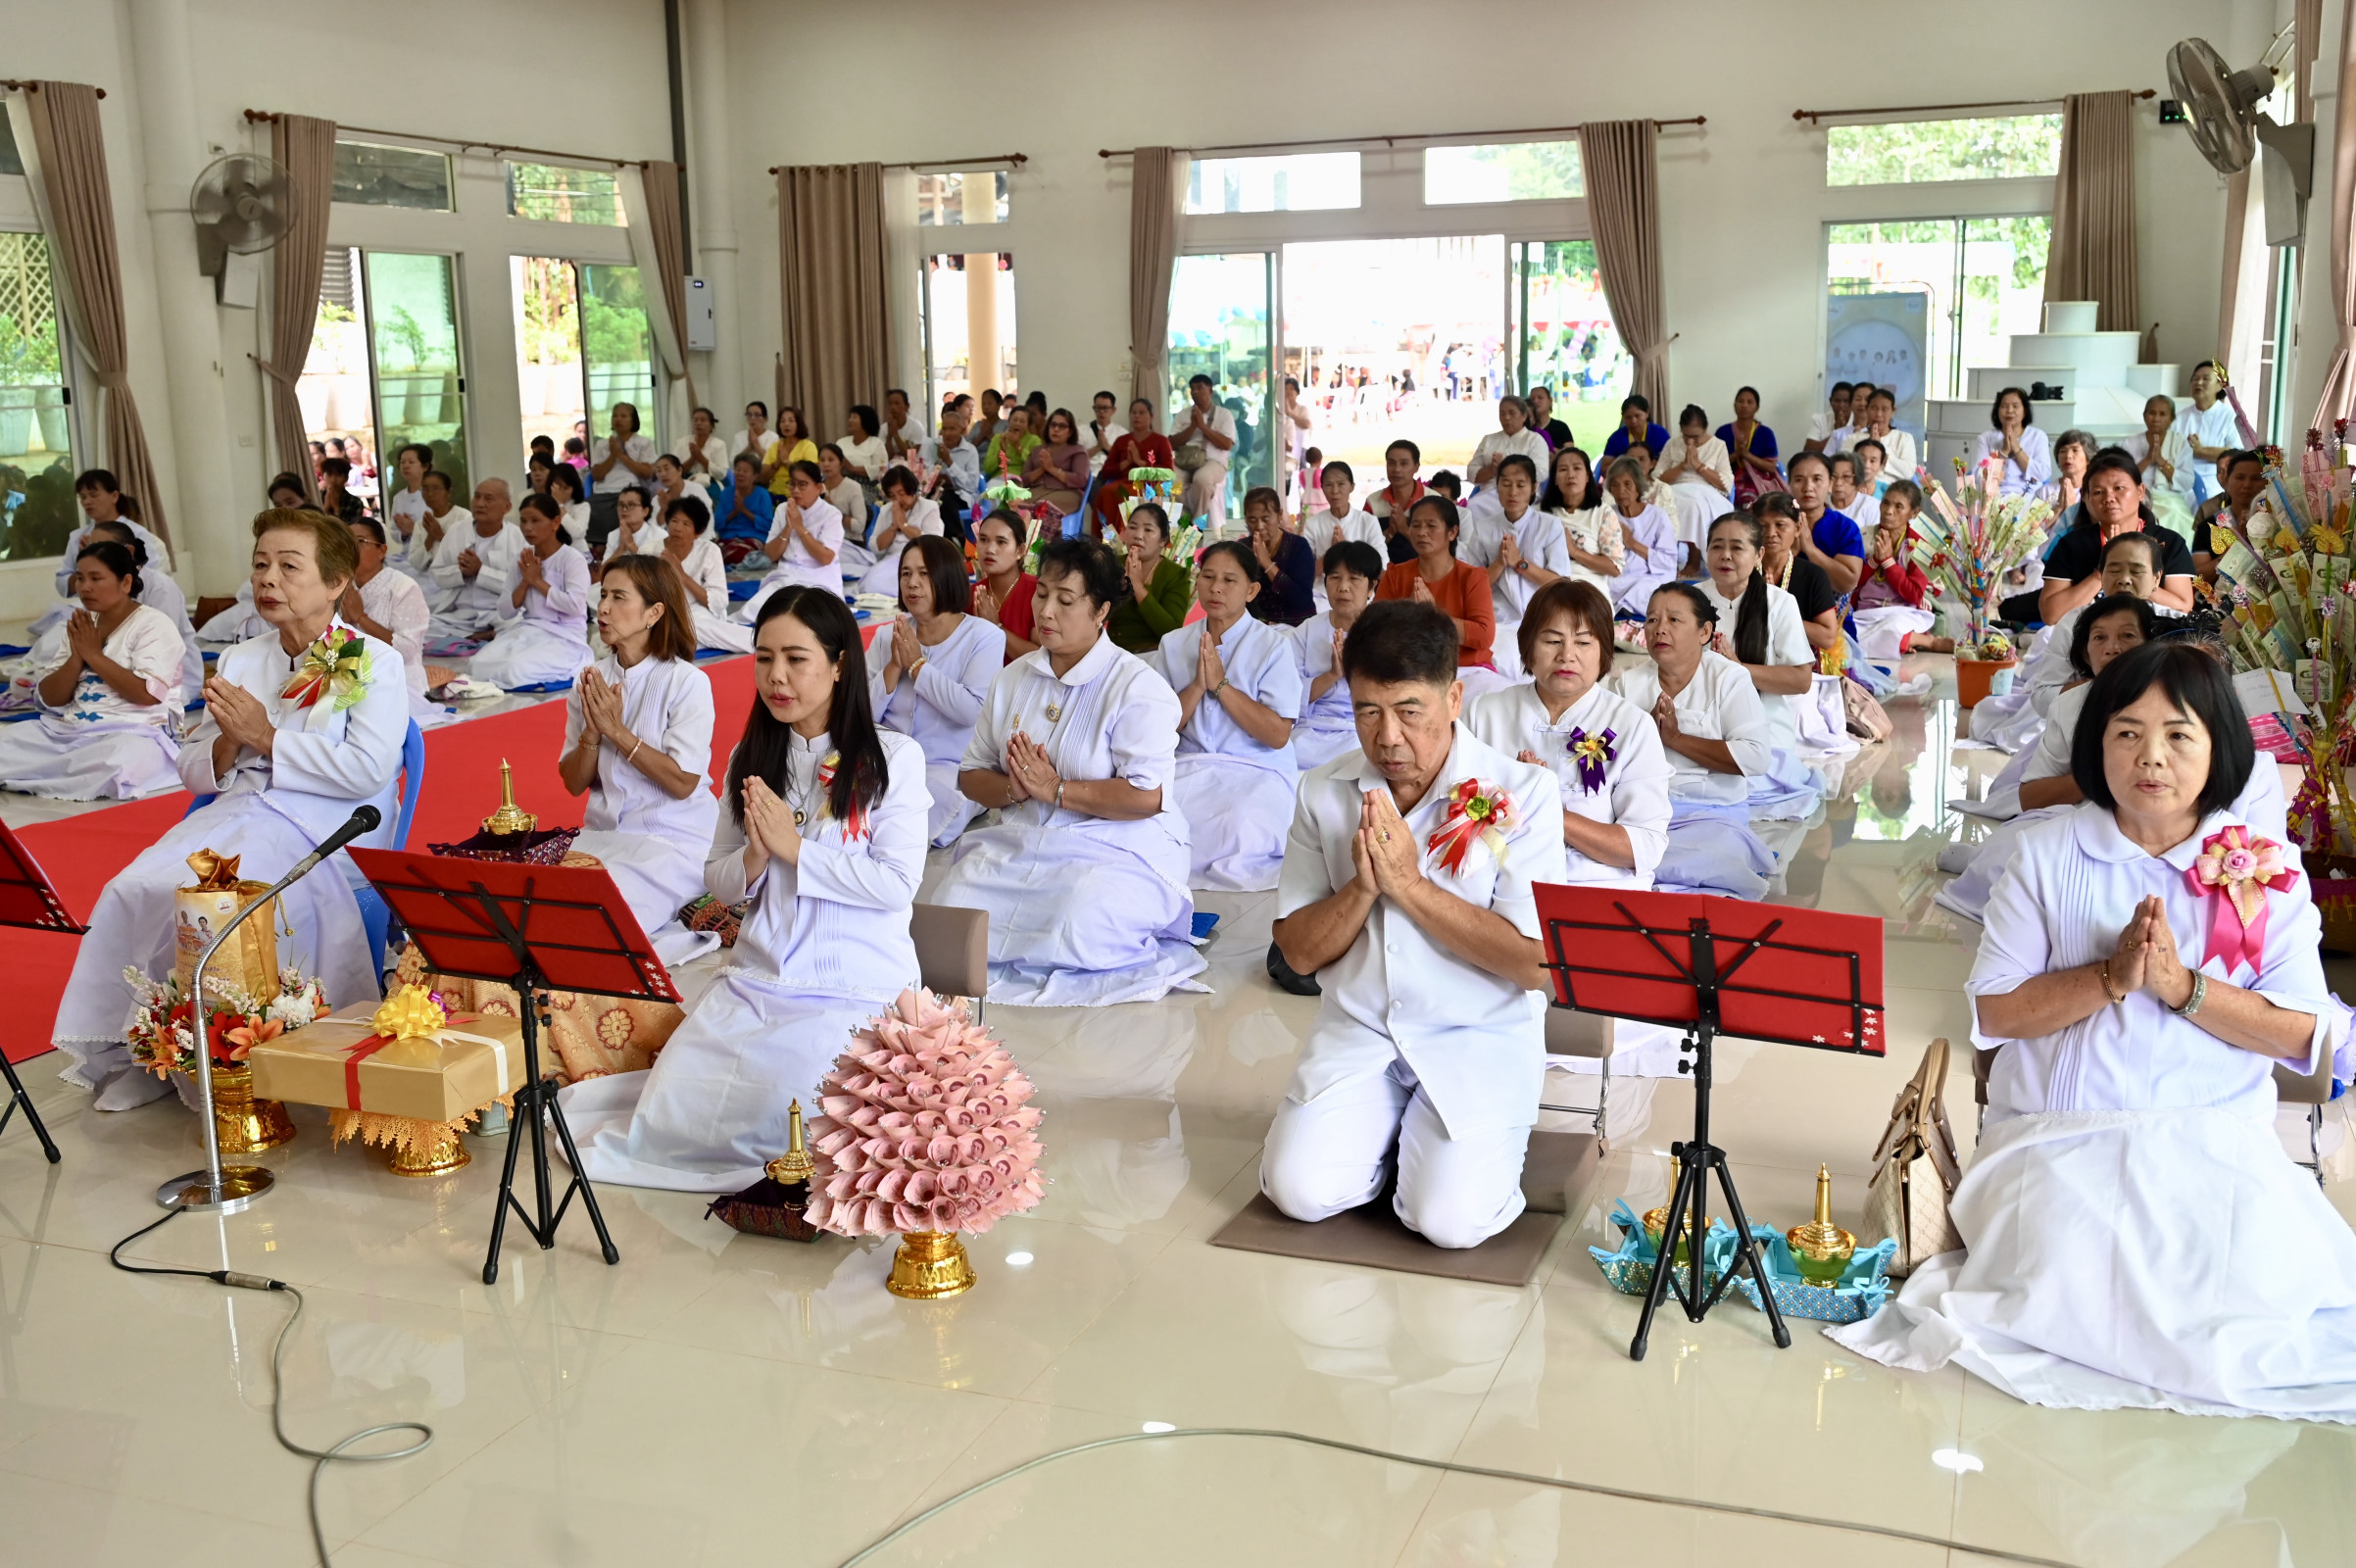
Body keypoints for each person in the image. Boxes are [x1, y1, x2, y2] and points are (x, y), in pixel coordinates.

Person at [1837, 642, 2355, 1419]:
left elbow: (2299, 1036)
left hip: (2212, 1134)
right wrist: (2111, 978)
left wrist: (2182, 989)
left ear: (2219, 751)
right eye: (2126, 732)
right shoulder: (2048, 852)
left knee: (2234, 1306)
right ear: (2097, 745)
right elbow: (1995, 1013)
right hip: (2057, 1134)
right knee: (2073, 1275)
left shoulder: (2263, 868)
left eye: (2179, 735)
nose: (2151, 756)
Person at [561, 587, 925, 1192]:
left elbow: (894, 887)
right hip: (761, 973)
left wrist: (794, 849)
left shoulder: (893, 759)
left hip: (854, 980)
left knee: (786, 1121)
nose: (776, 677)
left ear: (839, 665)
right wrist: (756, 856)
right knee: (682, 1109)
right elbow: (719, 884)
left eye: (795, 659)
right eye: (762, 658)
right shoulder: (751, 757)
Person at [52, 510, 404, 1107]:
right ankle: (152, 1049)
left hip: (328, 825)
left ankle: (236, 1060)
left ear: (337, 582)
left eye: (290, 567)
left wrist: (266, 738)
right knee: (136, 885)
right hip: (239, 809)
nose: (269, 579)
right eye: (261, 564)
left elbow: (368, 772)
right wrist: (228, 741)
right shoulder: (242, 659)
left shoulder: (372, 660)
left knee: (217, 904)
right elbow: (191, 767)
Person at [1259, 599, 1564, 1250]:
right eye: (1367, 711)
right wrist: (1365, 889)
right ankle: (1394, 1134)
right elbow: (1299, 952)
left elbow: (1535, 965)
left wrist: (1409, 885)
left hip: (1475, 1032)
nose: (1387, 737)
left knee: (1449, 1224)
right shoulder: (1324, 790)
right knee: (1296, 1190)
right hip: (1364, 1027)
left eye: (1408, 711)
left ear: (1454, 699)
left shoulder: (1524, 794)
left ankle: (1434, 1148)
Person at [939, 537, 1206, 1005]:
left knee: (1077, 916)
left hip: (1117, 845)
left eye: (1065, 601)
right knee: (952, 907)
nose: (1046, 611)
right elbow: (971, 775)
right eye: (1042, 593)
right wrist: (1018, 790)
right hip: (1023, 837)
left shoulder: (1138, 687)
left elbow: (1146, 797)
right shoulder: (1014, 677)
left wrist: (1056, 789)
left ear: (1102, 611)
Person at [558, 555, 719, 964]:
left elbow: (683, 783)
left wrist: (617, 732)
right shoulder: (591, 679)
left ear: (654, 612)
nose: (604, 608)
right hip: (600, 837)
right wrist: (592, 734)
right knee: (539, 905)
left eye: (618, 597)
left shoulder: (687, 682)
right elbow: (574, 783)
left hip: (670, 842)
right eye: (603, 595)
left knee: (596, 923)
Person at [1465, 579, 1672, 891]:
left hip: (1593, 887)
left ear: (1604, 651)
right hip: (1497, 883)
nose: (1567, 655)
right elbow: (1450, 808)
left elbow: (1642, 847)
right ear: (1528, 648)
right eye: (1552, 641)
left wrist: (1545, 807)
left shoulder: (1632, 726)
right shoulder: (1485, 712)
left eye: (1584, 642)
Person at [1605, 584, 1785, 898]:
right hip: (1644, 811)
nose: (1660, 629)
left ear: (1704, 632)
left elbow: (1756, 758)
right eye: (1651, 620)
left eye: (1674, 620)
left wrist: (1675, 739)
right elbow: (1603, 759)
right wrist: (1644, 733)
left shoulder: (1729, 679)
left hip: (1713, 811)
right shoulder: (1628, 684)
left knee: (1711, 861)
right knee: (1599, 860)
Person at [1156, 540, 1303, 891]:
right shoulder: (1174, 643)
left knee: (1241, 827)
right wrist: (1196, 686)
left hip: (1255, 767)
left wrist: (1221, 686)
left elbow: (1277, 735)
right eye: (1208, 577)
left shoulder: (1273, 646)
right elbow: (1157, 730)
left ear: (1252, 590)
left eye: (1229, 580)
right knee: (1162, 821)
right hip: (1190, 763)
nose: (1216, 588)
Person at [0, 541, 182, 800]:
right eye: (80, 578)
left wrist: (94, 655)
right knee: (8, 742)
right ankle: (58, 774)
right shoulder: (81, 624)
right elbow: (51, 698)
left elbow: (147, 695)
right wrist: (77, 656)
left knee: (120, 760)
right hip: (72, 731)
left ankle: (42, 774)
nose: (84, 587)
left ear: (126, 583)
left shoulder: (154, 625)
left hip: (136, 733)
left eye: (96, 578)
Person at [871, 535, 1000, 846]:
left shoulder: (984, 636)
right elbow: (859, 713)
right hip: (887, 760)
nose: (912, 583)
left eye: (924, 573)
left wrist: (917, 666)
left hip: (949, 768)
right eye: (906, 573)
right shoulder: (888, 634)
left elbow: (971, 710)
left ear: (947, 576)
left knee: (918, 808)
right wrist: (893, 667)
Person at [1695, 512, 1817, 760]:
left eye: (1737, 547)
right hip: (1698, 722)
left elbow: (1801, 680)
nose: (1725, 555)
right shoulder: (1689, 600)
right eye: (1717, 546)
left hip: (1765, 728)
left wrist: (1738, 669)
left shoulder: (1780, 603)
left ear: (1759, 555)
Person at [2039, 449, 2197, 622]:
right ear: (2087, 498)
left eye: (2119, 488)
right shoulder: (2071, 544)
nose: (2109, 498)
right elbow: (2051, 615)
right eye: (2099, 492)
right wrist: (2101, 573)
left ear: (2140, 492)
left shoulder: (2169, 542)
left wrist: (2134, 575)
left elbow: (2183, 606)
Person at [1461, 454, 1572, 678]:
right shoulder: (1484, 528)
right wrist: (1500, 564)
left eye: (1521, 485)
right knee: (1498, 663)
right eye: (1506, 484)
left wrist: (1520, 564)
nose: (1513, 492)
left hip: (1542, 614)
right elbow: (1471, 585)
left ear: (1533, 488)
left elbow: (1561, 582)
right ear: (1497, 486)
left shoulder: (1549, 525)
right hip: (1498, 618)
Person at [469, 493, 591, 690]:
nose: (527, 527)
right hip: (528, 630)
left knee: (513, 668)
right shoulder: (523, 559)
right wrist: (526, 582)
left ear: (555, 523)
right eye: (523, 521)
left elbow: (575, 606)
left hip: (565, 638)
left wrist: (537, 581)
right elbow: (505, 611)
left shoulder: (572, 559)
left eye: (535, 521)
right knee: (477, 664)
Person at [1375, 495, 1497, 689]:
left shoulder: (1472, 577)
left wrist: (1434, 613)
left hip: (1469, 670)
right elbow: (1377, 627)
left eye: (1431, 526)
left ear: (1452, 532)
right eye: (1415, 525)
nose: (1422, 532)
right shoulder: (1395, 575)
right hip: (1412, 670)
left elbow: (1483, 636)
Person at [337, 517, 446, 728]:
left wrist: (361, 618)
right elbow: (331, 644)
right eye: (346, 543)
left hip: (398, 679)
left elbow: (407, 649)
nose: (351, 549)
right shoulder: (342, 587)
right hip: (353, 675)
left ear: (382, 550)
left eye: (359, 541)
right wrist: (346, 621)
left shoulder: (403, 587)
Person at [1292, 540, 1383, 770]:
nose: (1343, 587)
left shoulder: (1384, 631)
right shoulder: (1306, 631)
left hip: (1360, 728)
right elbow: (1290, 695)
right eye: (1334, 578)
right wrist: (1333, 674)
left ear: (1372, 587)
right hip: (1309, 730)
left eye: (1354, 579)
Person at [1851, 481, 1953, 660]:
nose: (1889, 511)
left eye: (1899, 506)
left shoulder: (1921, 545)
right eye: (1885, 503)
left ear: (1914, 513)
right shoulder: (1864, 536)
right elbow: (1852, 582)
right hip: (1866, 611)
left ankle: (1928, 642)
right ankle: (1911, 641)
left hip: (1901, 612)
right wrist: (1875, 560)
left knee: (1893, 628)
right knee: (1847, 635)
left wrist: (1888, 562)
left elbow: (1914, 594)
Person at [736, 461, 843, 618]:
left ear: (818, 488)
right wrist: (788, 526)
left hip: (820, 579)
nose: (795, 490)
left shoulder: (831, 514)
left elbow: (826, 557)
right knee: (752, 613)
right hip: (786, 577)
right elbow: (771, 554)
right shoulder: (783, 509)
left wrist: (799, 527)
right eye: (792, 484)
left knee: (807, 619)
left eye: (802, 485)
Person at [424, 477, 526, 642]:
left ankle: (476, 636)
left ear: (506, 507)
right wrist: (462, 572)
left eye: (488, 498)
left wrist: (480, 572)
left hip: (500, 613)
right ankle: (477, 636)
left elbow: (520, 586)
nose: (479, 503)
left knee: (523, 626)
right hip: (460, 615)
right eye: (477, 497)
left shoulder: (517, 537)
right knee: (421, 627)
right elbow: (437, 574)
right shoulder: (457, 531)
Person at [1752, 494, 1844, 654]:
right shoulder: (1744, 571)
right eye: (1762, 526)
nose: (1770, 533)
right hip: (1750, 656)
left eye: (1780, 525)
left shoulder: (1813, 575)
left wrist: (1777, 613)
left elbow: (1828, 638)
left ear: (1798, 529)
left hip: (1801, 663)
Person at [659, 493, 750, 655]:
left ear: (697, 533)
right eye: (674, 521)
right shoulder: (650, 550)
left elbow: (719, 600)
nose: (678, 528)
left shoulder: (709, 551)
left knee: (695, 626)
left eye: (686, 524)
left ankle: (757, 641)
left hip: (699, 611)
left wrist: (682, 576)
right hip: (660, 614)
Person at [1107, 502, 1192, 653]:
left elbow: (1172, 631)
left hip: (1155, 657)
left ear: (1163, 541)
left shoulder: (1176, 575)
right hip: (1113, 652)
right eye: (1132, 527)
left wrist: (1138, 586)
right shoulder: (1112, 565)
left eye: (1148, 530)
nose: (1138, 535)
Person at [1088, 397, 1175, 539]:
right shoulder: (1122, 440)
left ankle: (1127, 539)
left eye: (1141, 413)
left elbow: (1168, 472)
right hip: (1125, 481)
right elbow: (1106, 471)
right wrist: (1127, 462)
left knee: (1128, 495)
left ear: (1151, 416)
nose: (1137, 416)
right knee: (1105, 492)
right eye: (1133, 413)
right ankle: (1104, 541)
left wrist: (1140, 462)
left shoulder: (1161, 440)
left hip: (1149, 485)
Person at [1599, 455, 1676, 616]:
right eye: (1615, 485)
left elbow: (1668, 561)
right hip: (1617, 578)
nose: (1621, 491)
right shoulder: (1606, 514)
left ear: (1638, 486)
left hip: (1648, 577)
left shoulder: (1657, 516)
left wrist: (1632, 543)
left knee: (1647, 588)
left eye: (1627, 484)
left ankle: (1626, 610)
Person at [1781, 451, 1865, 598]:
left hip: (1830, 613)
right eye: (1799, 479)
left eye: (1817, 479)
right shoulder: (1776, 523)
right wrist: (1791, 551)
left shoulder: (1844, 527)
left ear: (1830, 484)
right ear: (1789, 484)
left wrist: (1810, 549)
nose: (1808, 487)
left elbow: (1847, 583)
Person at [1541, 445, 1623, 594]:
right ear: (1554, 479)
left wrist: (1574, 551)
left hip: (1589, 589)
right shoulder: (1540, 513)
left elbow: (1614, 568)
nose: (1571, 475)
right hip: (1549, 588)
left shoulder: (1603, 513)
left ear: (1587, 477)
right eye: (1563, 469)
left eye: (1577, 468)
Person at [852, 465, 942, 598]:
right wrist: (894, 526)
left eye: (901, 493)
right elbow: (876, 546)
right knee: (872, 582)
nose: (898, 500)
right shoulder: (886, 510)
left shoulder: (929, 507)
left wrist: (904, 526)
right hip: (890, 561)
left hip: (920, 563)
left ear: (911, 490)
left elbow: (933, 543)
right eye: (893, 496)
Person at [1655, 403, 1735, 553]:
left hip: (1706, 493)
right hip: (1674, 489)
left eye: (1696, 437)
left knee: (1693, 505)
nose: (1691, 442)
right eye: (1687, 436)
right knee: (1659, 502)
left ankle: (1695, 556)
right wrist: (1682, 466)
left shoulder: (1718, 445)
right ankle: (1666, 555)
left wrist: (1699, 465)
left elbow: (1726, 484)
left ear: (1705, 429)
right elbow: (1657, 479)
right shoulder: (1672, 444)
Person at [1243, 485, 1318, 627]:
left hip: (1297, 626)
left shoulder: (1298, 547)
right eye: (1252, 520)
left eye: (1266, 519)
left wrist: (1267, 564)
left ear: (1279, 515)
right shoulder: (1242, 549)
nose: (1259, 526)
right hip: (1256, 627)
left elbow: (1301, 598)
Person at [970, 507, 1039, 663]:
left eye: (1001, 542)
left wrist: (997, 627)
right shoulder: (972, 594)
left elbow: (1041, 658)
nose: (990, 549)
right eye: (983, 540)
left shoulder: (1037, 592)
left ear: (1020, 550)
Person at [1170, 374, 1239, 524]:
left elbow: (1227, 444)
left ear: (1211, 391)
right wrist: (1192, 427)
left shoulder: (1224, 414)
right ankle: (1183, 519)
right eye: (1192, 389)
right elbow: (1172, 443)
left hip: (1214, 461)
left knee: (1202, 479)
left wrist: (1202, 426)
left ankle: (1198, 523)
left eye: (1200, 388)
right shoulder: (1183, 415)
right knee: (1170, 480)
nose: (1195, 392)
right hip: (1186, 460)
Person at [2124, 393, 2197, 527]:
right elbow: (2123, 479)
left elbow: (2187, 482)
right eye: (2152, 413)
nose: (2156, 418)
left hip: (2171, 499)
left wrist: (2161, 462)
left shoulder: (2180, 442)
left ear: (2172, 419)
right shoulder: (2130, 443)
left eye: (2163, 414)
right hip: (2138, 498)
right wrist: (2147, 459)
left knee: (2175, 515)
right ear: (2144, 416)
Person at [1972, 387, 2053, 498]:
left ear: (2025, 411)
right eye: (2004, 406)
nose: (2009, 411)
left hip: (2028, 497)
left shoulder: (2038, 436)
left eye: (2015, 406)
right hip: (1992, 496)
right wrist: (2004, 452)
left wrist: (2017, 449)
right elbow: (1978, 476)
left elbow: (2043, 474)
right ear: (1997, 411)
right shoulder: (1985, 438)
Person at [2180, 360, 2243, 497]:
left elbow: (2236, 455)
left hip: (2215, 482)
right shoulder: (2179, 417)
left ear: (2220, 385)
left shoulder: (2230, 417)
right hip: (2180, 478)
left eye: (2206, 379)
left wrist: (2201, 451)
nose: (2199, 383)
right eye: (2195, 379)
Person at [921, 404, 984, 538]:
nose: (947, 433)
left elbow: (971, 486)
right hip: (933, 492)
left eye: (952, 429)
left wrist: (949, 462)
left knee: (943, 499)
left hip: (960, 496)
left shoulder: (970, 451)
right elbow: (925, 474)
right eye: (944, 429)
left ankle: (956, 538)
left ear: (962, 430)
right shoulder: (933, 446)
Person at [1831, 387, 1917, 482]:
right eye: (1874, 408)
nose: (1879, 414)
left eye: (1884, 409)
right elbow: (1843, 468)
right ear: (1867, 409)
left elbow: (1908, 472)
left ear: (1893, 412)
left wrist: (1879, 445)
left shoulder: (1904, 439)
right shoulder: (1853, 438)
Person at [1717, 386, 1784, 507]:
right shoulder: (1723, 431)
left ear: (1757, 407)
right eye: (1741, 401)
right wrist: (1737, 454)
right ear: (1734, 405)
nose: (1744, 405)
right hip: (1728, 481)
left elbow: (1771, 467)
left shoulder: (1765, 433)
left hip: (1758, 483)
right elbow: (1714, 464)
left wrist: (1748, 456)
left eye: (1749, 402)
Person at [1365, 439, 1429, 564]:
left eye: (1404, 463)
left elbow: (1439, 548)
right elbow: (1366, 550)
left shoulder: (1432, 500)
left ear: (1416, 467)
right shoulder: (1373, 502)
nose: (1396, 469)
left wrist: (1404, 528)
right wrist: (1390, 532)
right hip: (1384, 574)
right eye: (1391, 463)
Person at [1467, 395, 1549, 490]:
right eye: (1502, 414)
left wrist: (1505, 466)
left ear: (1524, 416)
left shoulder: (1535, 440)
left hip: (1522, 497)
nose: (1506, 417)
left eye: (1512, 413)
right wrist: (1491, 469)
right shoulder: (1488, 440)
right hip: (1487, 496)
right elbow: (1471, 473)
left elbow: (1541, 473)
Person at [1021, 408, 1090, 519]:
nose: (1056, 429)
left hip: (1067, 493)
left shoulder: (1078, 451)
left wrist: (1051, 468)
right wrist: (1042, 469)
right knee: (1013, 506)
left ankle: (1042, 536)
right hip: (1036, 491)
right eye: (1053, 425)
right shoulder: (1037, 450)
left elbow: (1081, 480)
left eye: (1062, 426)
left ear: (1070, 431)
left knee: (1043, 507)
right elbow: (1023, 480)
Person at [591, 402, 658, 507]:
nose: (618, 419)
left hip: (633, 491)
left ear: (633, 420)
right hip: (603, 492)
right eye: (615, 416)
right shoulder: (602, 444)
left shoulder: (644, 442)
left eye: (623, 416)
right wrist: (613, 455)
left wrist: (621, 456)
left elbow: (647, 473)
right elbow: (597, 475)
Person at [599, 485, 664, 581]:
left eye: (631, 505)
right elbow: (603, 572)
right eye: (621, 505)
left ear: (645, 511)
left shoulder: (659, 535)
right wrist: (621, 547)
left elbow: (656, 574)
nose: (624, 509)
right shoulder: (613, 535)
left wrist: (631, 545)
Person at [839, 405, 888, 500]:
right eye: (850, 417)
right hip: (842, 483)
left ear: (866, 421)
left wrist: (853, 469)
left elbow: (881, 469)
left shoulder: (876, 444)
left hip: (867, 486)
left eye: (854, 417)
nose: (850, 420)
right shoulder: (841, 442)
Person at [1600, 394, 1669, 460]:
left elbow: (1668, 462)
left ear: (1647, 414)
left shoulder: (1660, 434)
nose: (1633, 421)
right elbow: (1605, 467)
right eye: (1628, 417)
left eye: (1637, 416)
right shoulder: (1616, 438)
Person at [983, 404, 1039, 485]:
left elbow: (1036, 465)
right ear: (1009, 421)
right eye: (1014, 420)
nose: (1017, 424)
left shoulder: (1034, 440)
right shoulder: (998, 438)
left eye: (1022, 421)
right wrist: (1001, 452)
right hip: (998, 478)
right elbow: (987, 468)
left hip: (1020, 480)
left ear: (1028, 425)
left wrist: (1019, 447)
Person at [674, 406, 728, 481]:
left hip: (711, 481)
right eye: (695, 420)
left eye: (703, 420)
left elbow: (721, 474)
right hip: (685, 481)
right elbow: (674, 471)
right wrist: (693, 458)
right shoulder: (681, 442)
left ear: (711, 425)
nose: (698, 423)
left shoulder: (719, 444)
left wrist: (700, 457)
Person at [1803, 381, 1855, 455]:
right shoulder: (1821, 419)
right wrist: (1836, 434)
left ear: (1852, 402)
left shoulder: (1857, 420)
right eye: (1837, 401)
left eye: (1846, 401)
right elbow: (1808, 449)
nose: (1841, 405)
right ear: (1831, 401)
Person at [544, 462, 591, 542]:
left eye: (566, 488)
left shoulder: (583, 506)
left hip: (577, 551)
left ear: (574, 488)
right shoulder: (544, 506)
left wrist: (559, 504)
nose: (561, 491)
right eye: (558, 487)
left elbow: (577, 533)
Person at [1084, 389, 1123, 477]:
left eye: (1105, 408)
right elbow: (1076, 458)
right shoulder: (1081, 431)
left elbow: (1125, 460)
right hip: (1087, 475)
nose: (1101, 411)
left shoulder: (1122, 434)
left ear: (1113, 410)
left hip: (1112, 476)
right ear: (1094, 409)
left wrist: (1108, 447)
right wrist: (1098, 447)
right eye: (1098, 408)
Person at [316, 457, 367, 523]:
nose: (333, 480)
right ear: (323, 476)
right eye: (329, 474)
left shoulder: (355, 503)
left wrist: (337, 509)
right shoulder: (316, 498)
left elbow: (350, 530)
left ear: (346, 478)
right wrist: (325, 508)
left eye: (338, 475)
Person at [882, 387, 927, 462]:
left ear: (907, 406)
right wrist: (889, 436)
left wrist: (895, 435)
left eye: (897, 403)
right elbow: (886, 457)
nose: (893, 407)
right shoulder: (883, 428)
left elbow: (910, 457)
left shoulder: (916, 427)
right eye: (890, 404)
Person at [1526, 385, 1573, 451]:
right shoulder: (1525, 428)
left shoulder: (1561, 427)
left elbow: (1570, 452)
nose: (1536, 401)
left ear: (1550, 401)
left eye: (1540, 397)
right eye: (1532, 399)